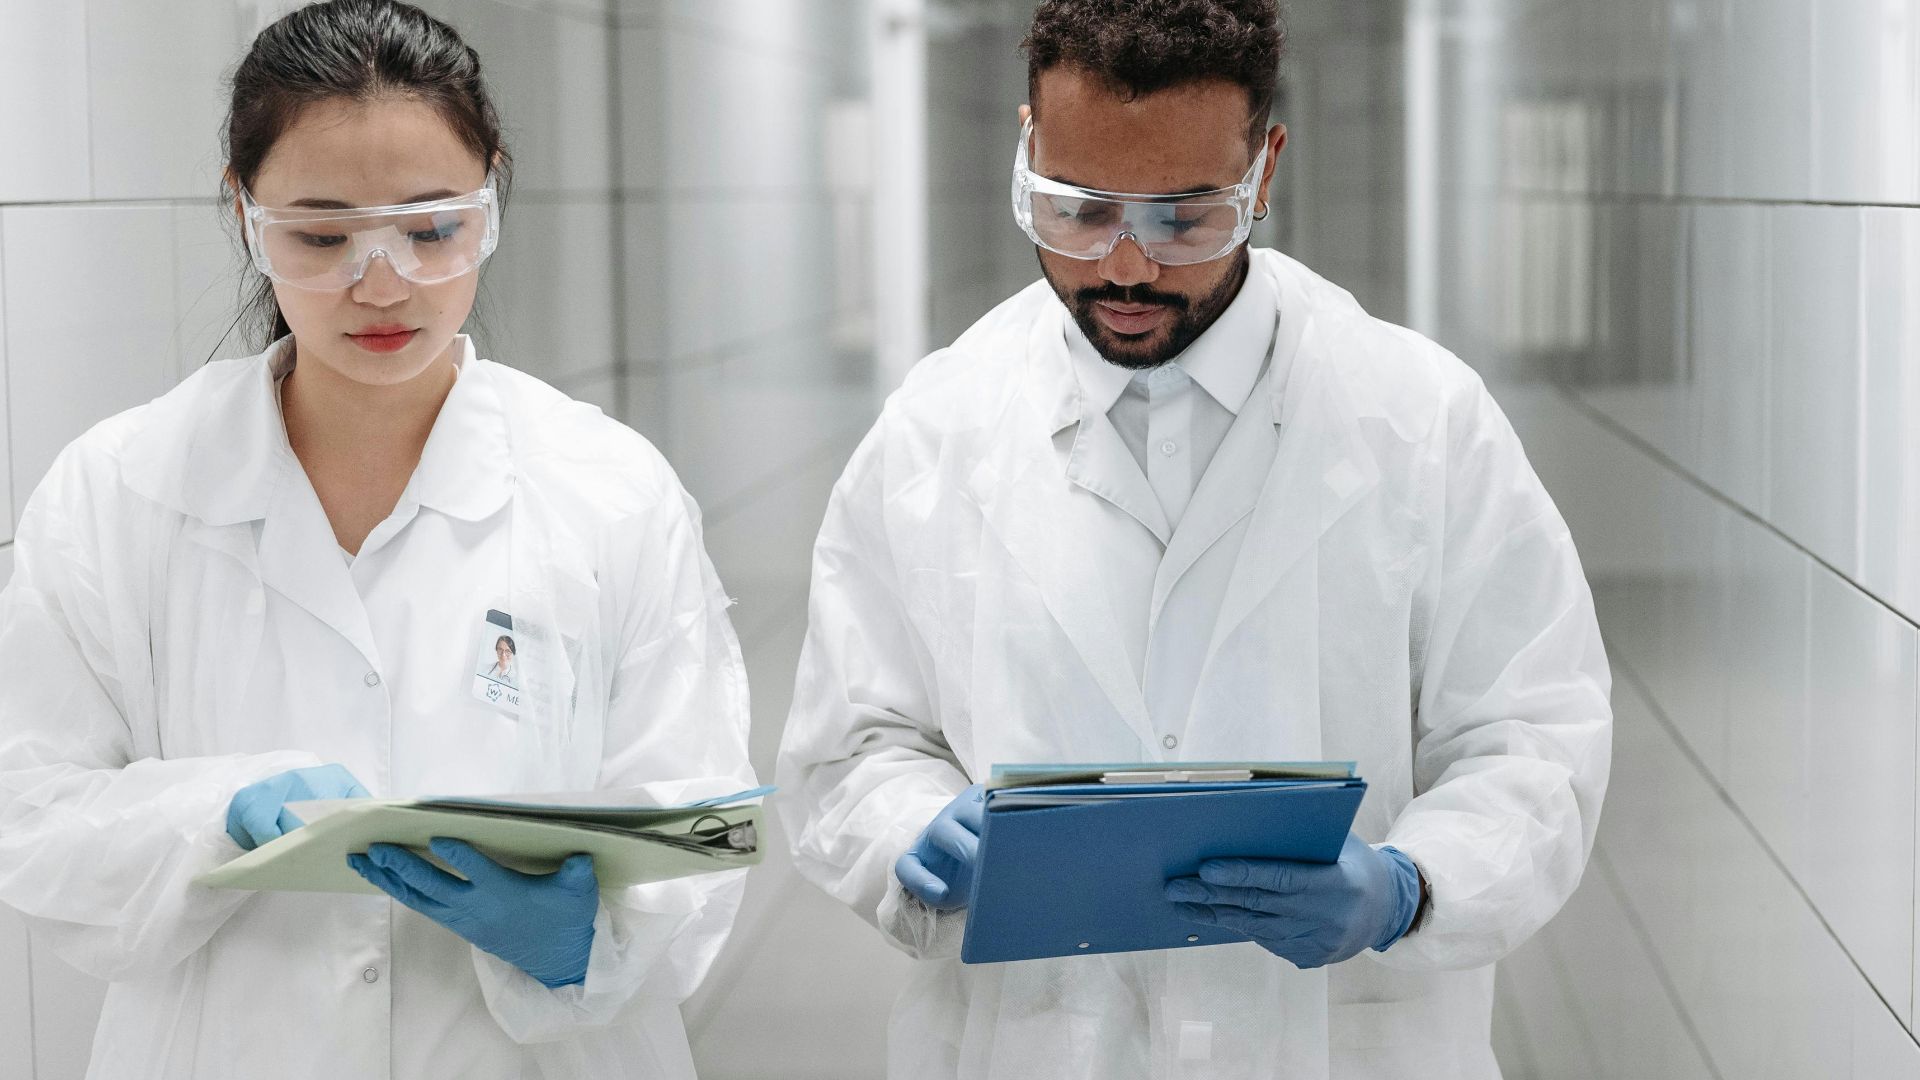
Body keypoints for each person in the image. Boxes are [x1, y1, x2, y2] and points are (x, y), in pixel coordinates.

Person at [775, 1, 1613, 1077]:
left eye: (1182, 219)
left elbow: (1533, 734)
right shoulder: (937, 432)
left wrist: (1410, 886)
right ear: (1028, 145)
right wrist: (912, 826)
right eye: (1079, 210)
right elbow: (854, 744)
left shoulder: (1419, 421)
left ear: (1265, 169)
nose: (1125, 267)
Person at [0, 3, 753, 1077]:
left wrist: (585, 937)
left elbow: (697, 817)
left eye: (432, 228)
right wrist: (212, 815)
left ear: (490, 198)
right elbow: (31, 812)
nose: (383, 281)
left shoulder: (608, 492)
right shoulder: (121, 491)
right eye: (322, 236)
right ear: (245, 212)